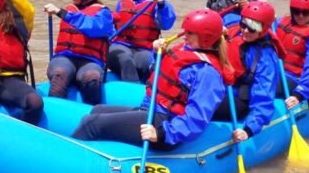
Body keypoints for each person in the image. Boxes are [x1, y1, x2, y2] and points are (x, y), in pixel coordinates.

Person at [72, 9, 231, 151]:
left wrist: (162, 133)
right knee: (97, 110)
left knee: (91, 124)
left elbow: (197, 116)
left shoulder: (208, 73)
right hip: (151, 111)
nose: (184, 36)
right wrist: (157, 54)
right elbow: (158, 74)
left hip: (165, 125)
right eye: (185, 31)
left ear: (206, 37)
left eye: (190, 33)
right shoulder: (185, 51)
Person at [212, 0, 284, 143]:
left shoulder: (265, 58)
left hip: (238, 99)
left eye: (252, 28)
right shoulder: (234, 28)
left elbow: (264, 95)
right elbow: (219, 18)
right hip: (220, 87)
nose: (245, 30)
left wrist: (249, 129)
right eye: (243, 24)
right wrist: (215, 28)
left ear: (263, 29)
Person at [43, 0, 115, 105]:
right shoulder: (71, 10)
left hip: (90, 61)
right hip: (64, 58)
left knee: (91, 77)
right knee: (60, 73)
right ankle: (55, 111)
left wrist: (61, 13)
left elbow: (92, 27)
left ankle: (92, 115)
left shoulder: (104, 14)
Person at [107, 0, 176, 83]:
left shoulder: (155, 4)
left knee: (145, 64)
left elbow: (166, 24)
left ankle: (144, 89)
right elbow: (113, 28)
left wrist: (162, 6)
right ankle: (132, 92)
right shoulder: (121, 3)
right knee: (125, 59)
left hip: (144, 49)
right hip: (121, 44)